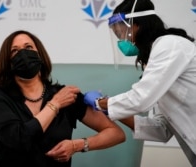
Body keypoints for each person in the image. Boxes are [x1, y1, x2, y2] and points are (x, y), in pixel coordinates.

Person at [0, 30, 125, 167]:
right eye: (15, 51)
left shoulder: (66, 95)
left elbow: (116, 133)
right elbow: (20, 139)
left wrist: (76, 145)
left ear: (40, 54)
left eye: (28, 47)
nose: (23, 54)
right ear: (7, 62)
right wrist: (55, 104)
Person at [84, 0, 196, 166]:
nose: (121, 40)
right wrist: (110, 110)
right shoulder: (154, 61)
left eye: (121, 32)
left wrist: (100, 103)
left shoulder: (169, 45)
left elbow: (141, 99)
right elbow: (161, 130)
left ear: (137, 25)